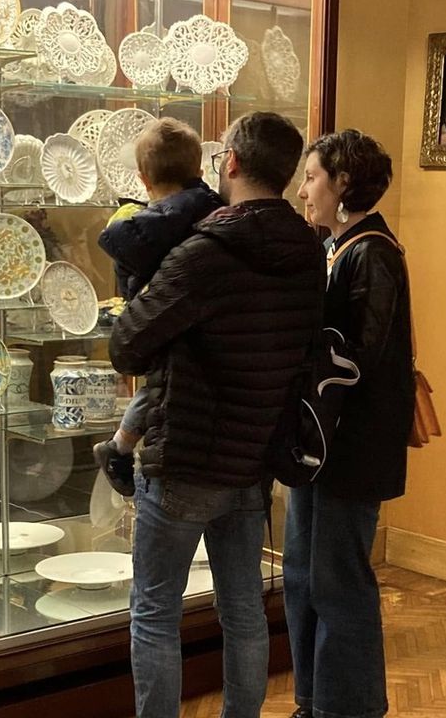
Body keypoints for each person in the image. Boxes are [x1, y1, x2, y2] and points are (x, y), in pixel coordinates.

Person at [109, 111, 325, 718]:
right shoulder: (309, 251)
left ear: (229, 162)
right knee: (245, 611)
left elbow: (127, 345)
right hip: (254, 459)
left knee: (155, 612)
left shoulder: (205, 251)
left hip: (185, 457)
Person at [288, 129, 414, 718]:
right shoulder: (339, 246)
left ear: (342, 182)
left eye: (312, 177)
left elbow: (360, 354)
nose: (302, 189)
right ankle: (313, 701)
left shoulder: (373, 253)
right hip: (322, 440)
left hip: (354, 445)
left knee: (338, 582)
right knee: (303, 576)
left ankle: (350, 710)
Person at [93, 118, 223, 497]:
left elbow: (129, 279)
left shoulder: (136, 225)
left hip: (149, 319)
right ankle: (119, 446)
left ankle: (119, 447)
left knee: (155, 387)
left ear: (143, 178)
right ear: (199, 171)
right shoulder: (208, 208)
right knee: (160, 388)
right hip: (192, 324)